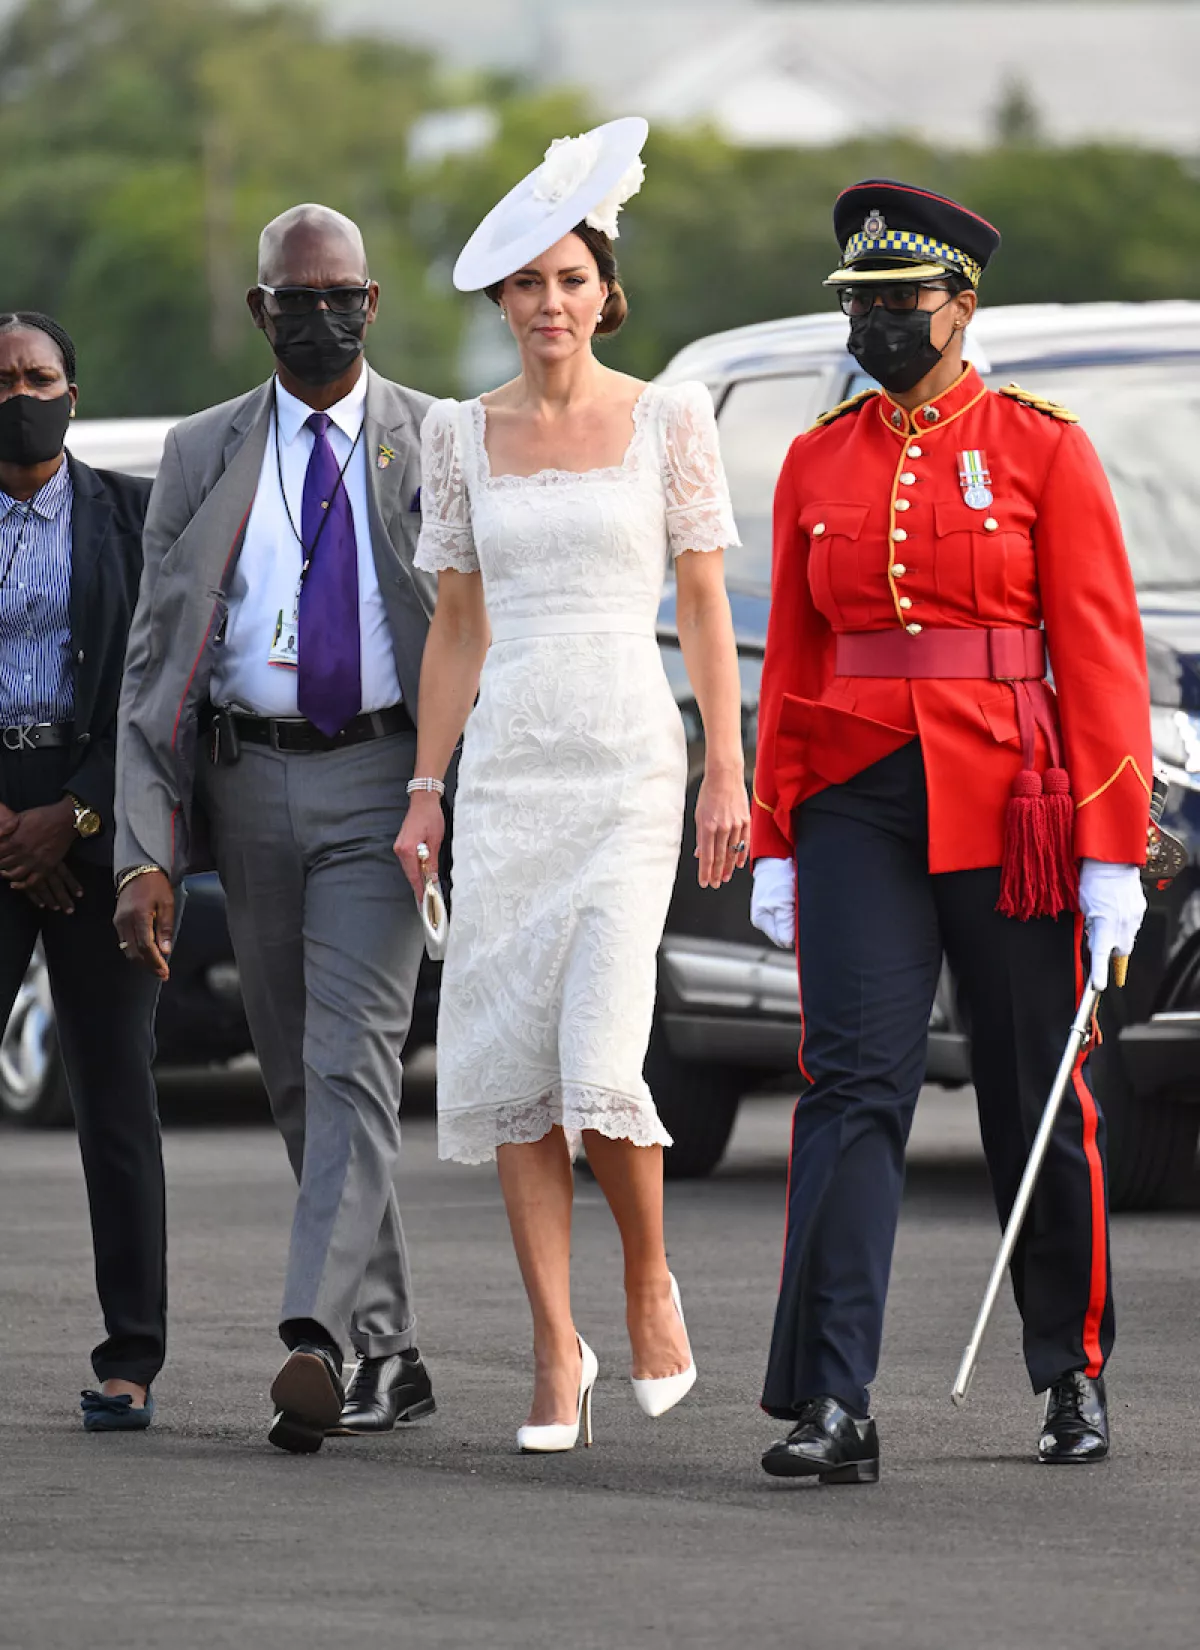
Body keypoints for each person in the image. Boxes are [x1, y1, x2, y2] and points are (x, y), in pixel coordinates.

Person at [748, 180, 1152, 1481]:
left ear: (962, 306)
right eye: (859, 305)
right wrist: (773, 833)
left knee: (1037, 1088)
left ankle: (1071, 1370)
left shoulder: (1042, 447)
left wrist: (1112, 846)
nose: (875, 324)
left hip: (1009, 796)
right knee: (852, 1083)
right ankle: (833, 1399)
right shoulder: (816, 457)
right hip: (855, 794)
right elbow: (794, 659)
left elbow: (1100, 654)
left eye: (900, 302)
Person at [396, 118, 750, 1453]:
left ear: (607, 291)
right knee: (509, 1067)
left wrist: (727, 767)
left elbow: (704, 607)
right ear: (502, 300)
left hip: (627, 764)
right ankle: (557, 1346)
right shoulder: (457, 434)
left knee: (600, 1058)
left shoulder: (670, 416)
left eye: (573, 279)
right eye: (529, 283)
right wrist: (426, 787)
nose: (551, 303)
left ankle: (648, 1280)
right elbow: (456, 627)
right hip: (507, 776)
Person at [114, 205, 438, 1453]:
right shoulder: (201, 451)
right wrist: (146, 846)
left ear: (372, 301)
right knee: (300, 1075)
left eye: (341, 295)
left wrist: (453, 790)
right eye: (296, 300)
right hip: (247, 781)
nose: (322, 317)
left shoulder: (434, 440)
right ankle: (389, 1352)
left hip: (383, 781)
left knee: (352, 1059)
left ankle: (314, 1334)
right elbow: (155, 661)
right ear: (260, 311)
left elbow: (475, 627)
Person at [0, 311, 165, 1431]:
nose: (20, 395)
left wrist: (76, 814)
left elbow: (164, 684)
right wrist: (11, 831)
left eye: (38, 376)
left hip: (99, 819)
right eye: (2, 381)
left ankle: (130, 1360)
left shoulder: (134, 517)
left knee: (115, 1095)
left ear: (74, 389)